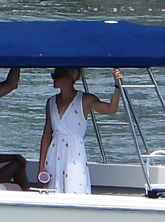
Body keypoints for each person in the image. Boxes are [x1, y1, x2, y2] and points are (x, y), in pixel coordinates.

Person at [36, 66, 123, 195]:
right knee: (52, 192)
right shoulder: (51, 102)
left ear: (69, 78)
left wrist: (117, 87)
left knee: (75, 188)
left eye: (57, 75)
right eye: (53, 75)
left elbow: (111, 109)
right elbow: (47, 135)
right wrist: (41, 165)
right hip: (54, 153)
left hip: (75, 153)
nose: (54, 78)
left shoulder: (85, 99)